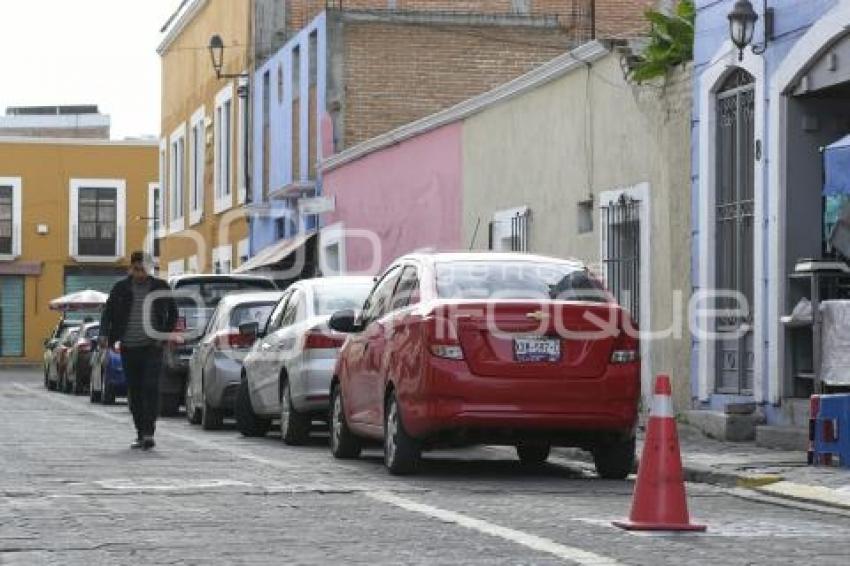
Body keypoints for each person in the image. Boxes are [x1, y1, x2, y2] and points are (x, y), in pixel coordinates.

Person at [100, 251, 177, 450]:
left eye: (144, 269)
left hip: (152, 347)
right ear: (131, 268)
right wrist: (104, 335)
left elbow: (173, 313)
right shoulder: (120, 288)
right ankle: (140, 432)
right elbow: (107, 313)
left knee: (150, 388)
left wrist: (164, 335)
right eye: (137, 269)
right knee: (134, 392)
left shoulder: (160, 287)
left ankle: (149, 432)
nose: (140, 273)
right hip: (128, 347)